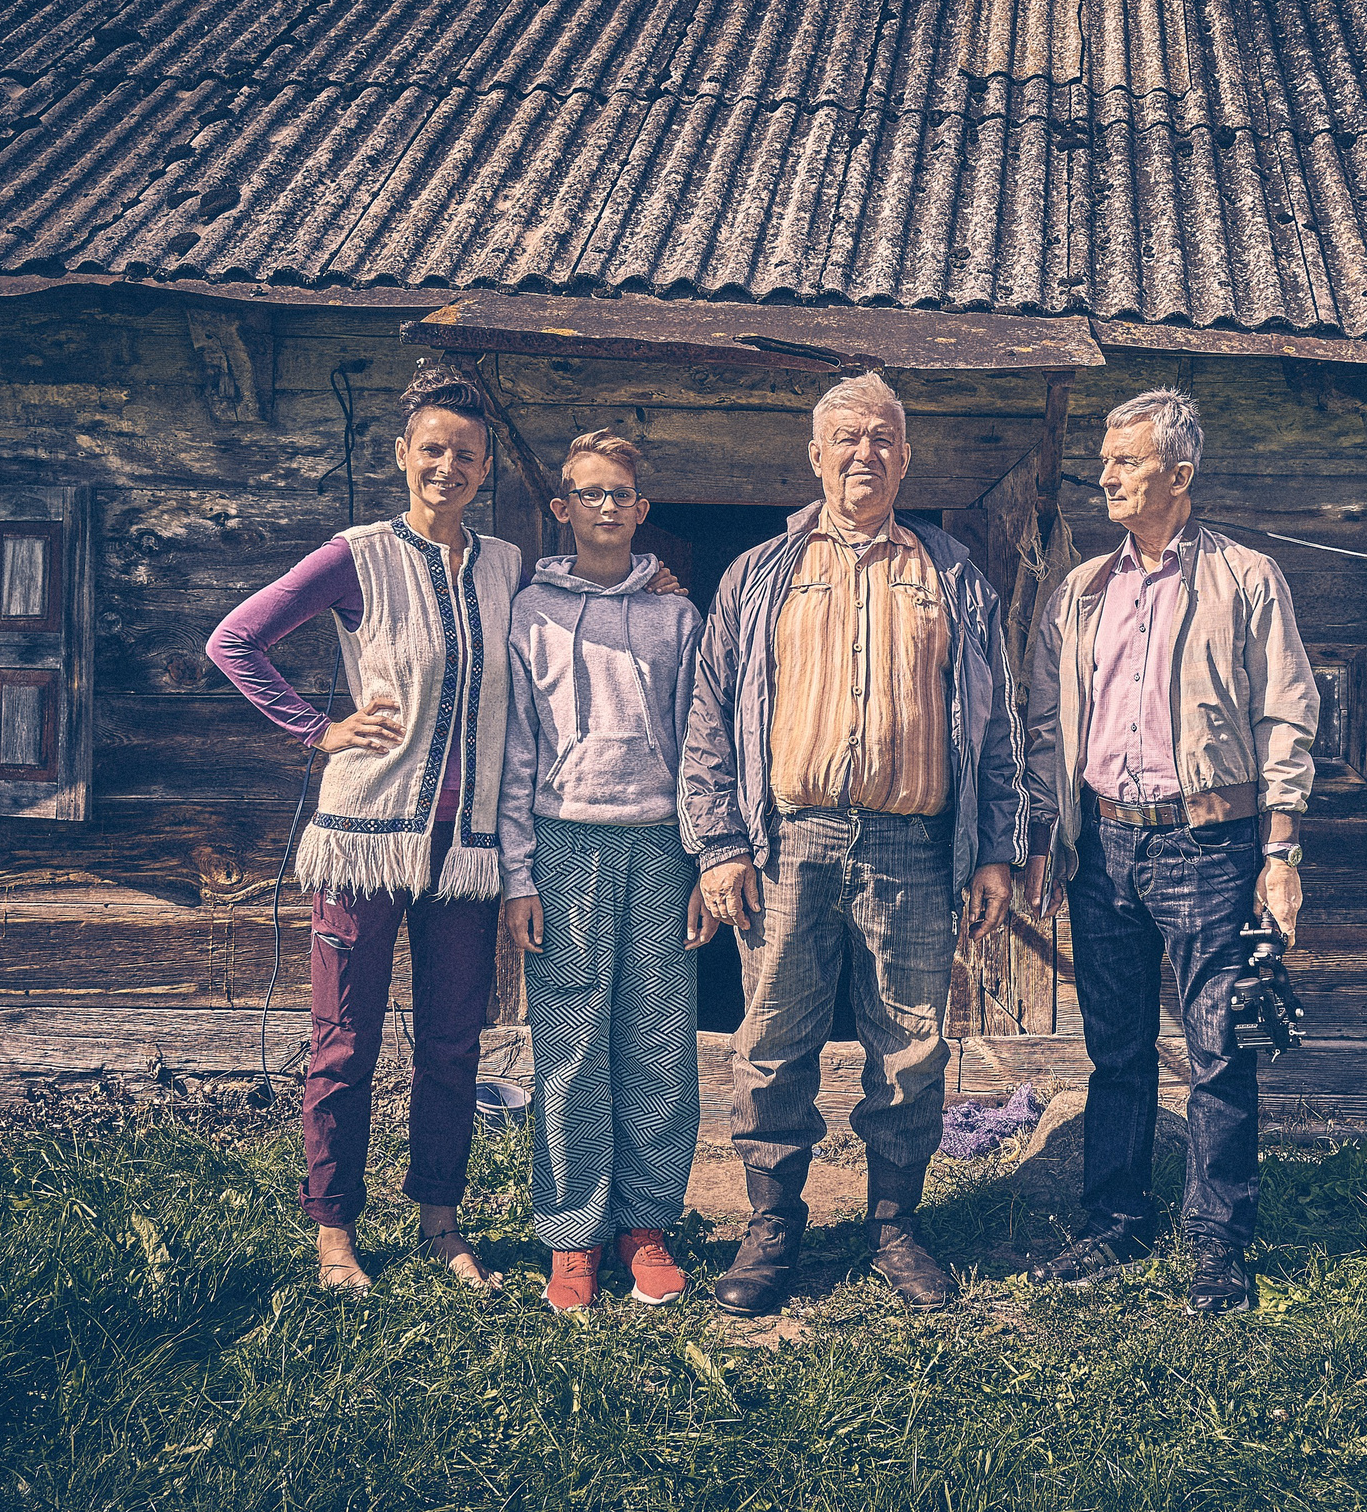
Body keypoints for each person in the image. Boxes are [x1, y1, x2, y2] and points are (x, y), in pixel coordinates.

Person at [682, 371, 1025, 1316]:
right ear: (816, 455)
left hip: (914, 843)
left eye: (883, 438)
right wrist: (718, 846)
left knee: (911, 1046)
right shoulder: (760, 573)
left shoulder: (952, 574)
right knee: (772, 1040)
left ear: (906, 459)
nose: (865, 452)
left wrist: (995, 846)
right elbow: (710, 717)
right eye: (848, 438)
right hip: (789, 839)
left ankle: (893, 1223)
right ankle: (772, 1224)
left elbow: (995, 729)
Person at [207, 366, 519, 1293]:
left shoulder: (505, 566)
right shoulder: (356, 555)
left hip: (464, 852)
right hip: (365, 837)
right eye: (432, 448)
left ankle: (440, 1219)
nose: (447, 465)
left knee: (453, 1043)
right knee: (344, 1041)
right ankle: (335, 1230)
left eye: (465, 453)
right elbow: (235, 639)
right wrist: (319, 726)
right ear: (401, 455)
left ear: (487, 465)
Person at [1016, 387, 1320, 1315]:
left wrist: (1282, 852)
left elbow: (1287, 715)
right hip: (1104, 843)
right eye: (1103, 461)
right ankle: (1115, 1223)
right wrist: (1045, 829)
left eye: (1127, 461)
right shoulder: (1081, 591)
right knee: (1117, 1050)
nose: (1105, 475)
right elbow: (1044, 719)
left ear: (1179, 475)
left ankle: (1217, 1241)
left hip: (1210, 845)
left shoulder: (1246, 578)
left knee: (1219, 1049)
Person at [497, 431, 715, 1315]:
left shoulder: (676, 617)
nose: (607, 507)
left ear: (643, 508)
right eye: (590, 492)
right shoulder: (530, 614)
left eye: (622, 493)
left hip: (660, 843)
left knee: (659, 1038)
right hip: (563, 843)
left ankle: (647, 1227)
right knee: (570, 1047)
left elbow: (705, 744)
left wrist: (707, 858)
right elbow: (514, 749)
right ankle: (573, 1237)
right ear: (563, 508)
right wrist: (518, 874)